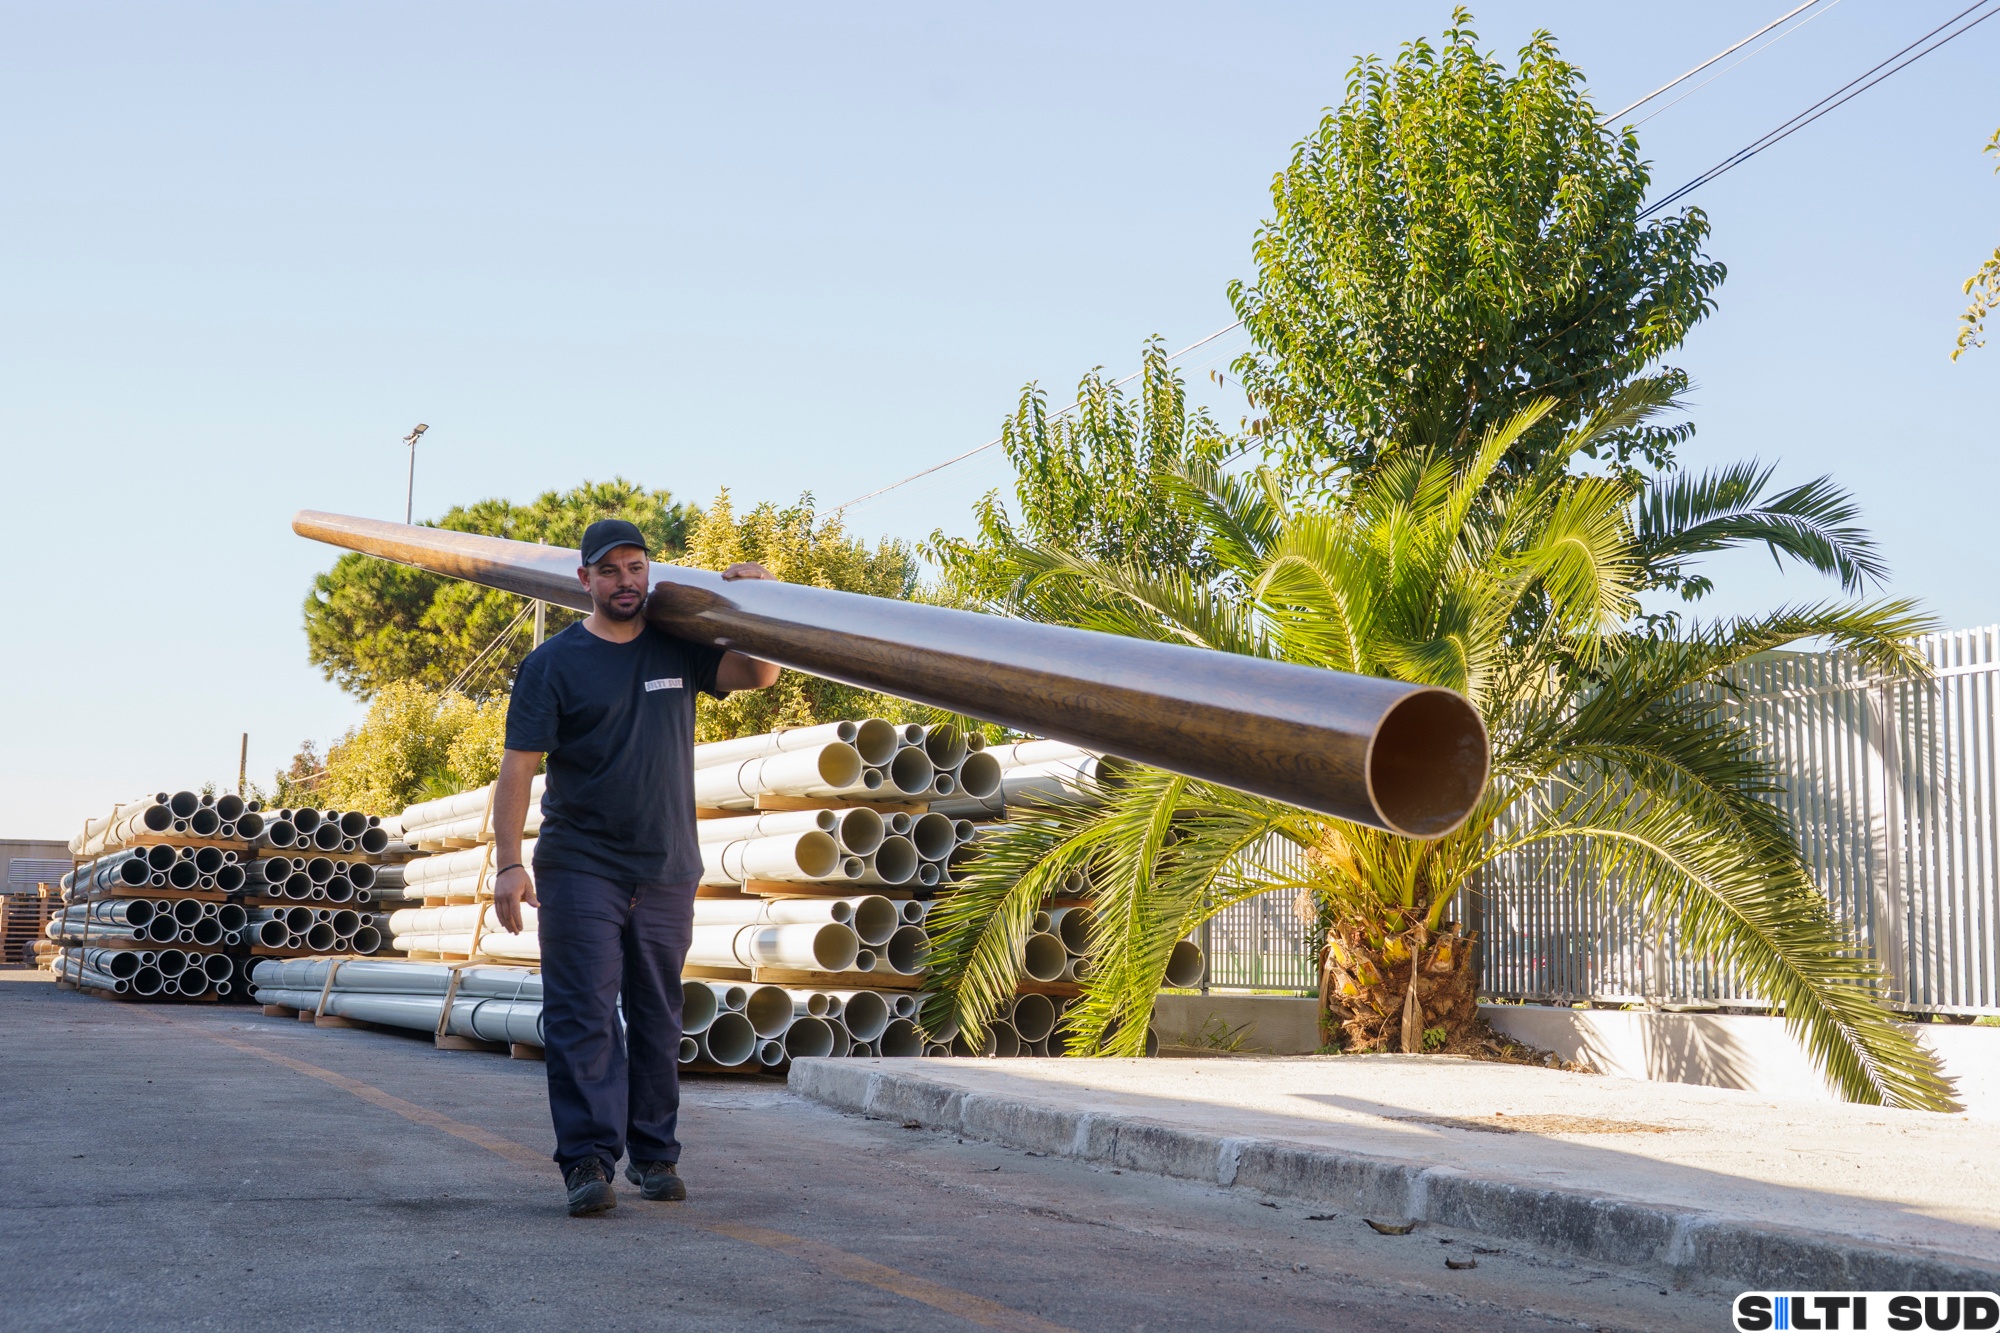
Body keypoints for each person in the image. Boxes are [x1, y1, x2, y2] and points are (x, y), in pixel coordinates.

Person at [489, 517, 779, 1217]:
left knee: (657, 1012)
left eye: (637, 567)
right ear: (584, 579)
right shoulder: (552, 665)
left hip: (667, 866)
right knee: (583, 1011)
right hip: (580, 864)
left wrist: (762, 605)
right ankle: (588, 1159)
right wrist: (508, 863)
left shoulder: (677, 644)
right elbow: (518, 770)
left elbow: (759, 674)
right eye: (611, 570)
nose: (627, 581)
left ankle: (654, 1154)